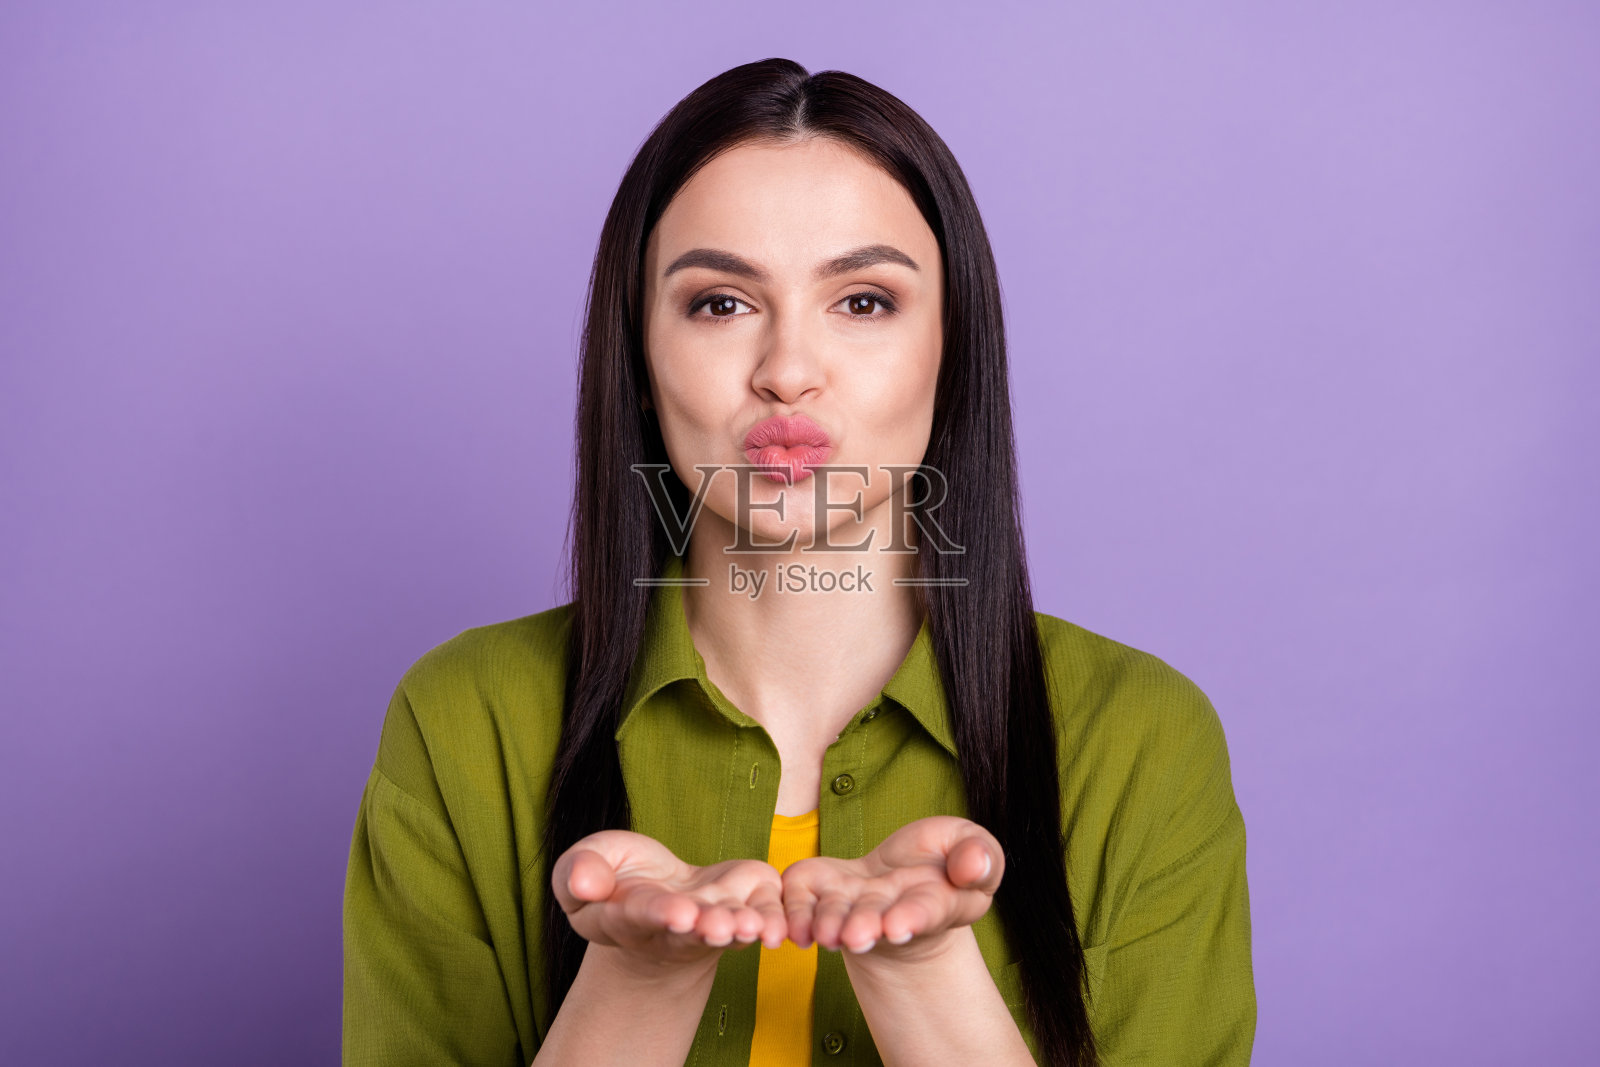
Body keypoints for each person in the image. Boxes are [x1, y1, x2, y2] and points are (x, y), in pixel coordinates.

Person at [342, 58, 1255, 1067]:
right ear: (639, 358)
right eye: (720, 303)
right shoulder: (463, 719)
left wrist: (924, 975)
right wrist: (636, 980)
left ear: (952, 352)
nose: (785, 369)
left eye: (863, 302)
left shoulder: (1138, 739)